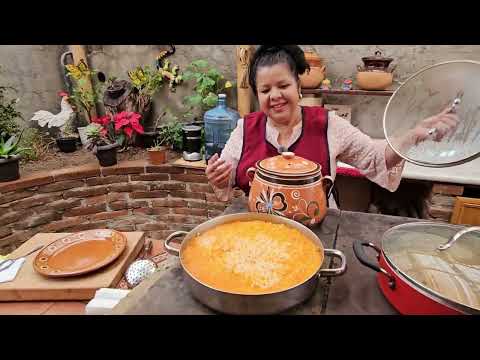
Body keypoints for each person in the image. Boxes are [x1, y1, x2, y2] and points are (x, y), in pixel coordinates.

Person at [206, 45, 459, 203]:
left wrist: (414, 135)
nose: (275, 96)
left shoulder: (328, 125)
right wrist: (218, 178)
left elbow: (375, 157)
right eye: (265, 89)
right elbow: (226, 178)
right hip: (258, 230)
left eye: (283, 86)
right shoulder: (245, 128)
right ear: (257, 95)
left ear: (298, 85)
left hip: (316, 229)